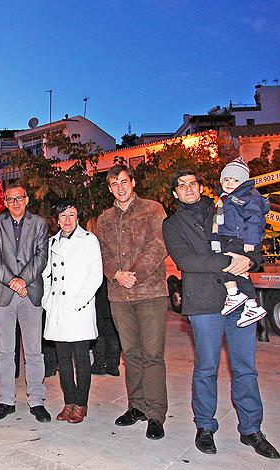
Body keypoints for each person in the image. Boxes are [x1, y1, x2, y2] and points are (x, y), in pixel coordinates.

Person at [162, 169, 280, 459]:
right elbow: (187, 260)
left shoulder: (224, 206)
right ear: (175, 193)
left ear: (201, 187)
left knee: (245, 368)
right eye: (181, 186)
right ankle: (204, 425)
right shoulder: (172, 224)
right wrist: (231, 261)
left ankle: (251, 429)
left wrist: (249, 261)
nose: (188, 189)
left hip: (241, 300)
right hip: (203, 302)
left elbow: (252, 234)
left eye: (193, 184)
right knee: (206, 368)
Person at [96, 164, 168, 440]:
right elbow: (101, 251)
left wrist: (133, 274)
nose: (120, 188)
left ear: (133, 182)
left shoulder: (153, 209)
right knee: (132, 354)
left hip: (150, 292)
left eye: (123, 182)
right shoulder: (104, 219)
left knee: (152, 354)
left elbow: (159, 245)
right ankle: (136, 406)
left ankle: (156, 414)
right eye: (114, 184)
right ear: (110, 188)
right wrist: (115, 274)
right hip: (120, 295)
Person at [0, 184, 50, 423]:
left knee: (34, 351)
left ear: (27, 199)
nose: (15, 203)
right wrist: (12, 280)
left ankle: (36, 400)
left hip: (30, 293)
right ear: (5, 202)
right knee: (4, 351)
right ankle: (6, 400)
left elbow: (41, 256)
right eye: (10, 199)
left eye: (19, 198)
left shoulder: (40, 224)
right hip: (3, 294)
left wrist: (23, 280)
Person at [42, 202, 103, 423]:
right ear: (57, 219)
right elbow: (45, 275)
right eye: (63, 215)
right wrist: (47, 300)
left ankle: (81, 404)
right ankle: (69, 402)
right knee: (63, 359)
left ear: (78, 218)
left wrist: (78, 302)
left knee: (82, 359)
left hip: (79, 309)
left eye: (72, 215)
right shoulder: (51, 243)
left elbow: (95, 275)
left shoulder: (88, 240)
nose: (67, 219)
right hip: (58, 309)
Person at [213, 157, 269, 327]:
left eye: (235, 180)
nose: (230, 183)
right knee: (226, 266)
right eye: (226, 179)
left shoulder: (249, 196)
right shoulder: (225, 197)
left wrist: (250, 241)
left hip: (240, 239)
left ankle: (250, 304)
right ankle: (240, 298)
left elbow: (255, 219)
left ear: (243, 181)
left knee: (233, 267)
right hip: (228, 237)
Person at [86, 217, 121, 377]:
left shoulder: (89, 246)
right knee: (112, 330)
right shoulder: (111, 246)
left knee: (98, 329)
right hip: (112, 290)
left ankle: (99, 363)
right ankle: (113, 364)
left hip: (97, 293)